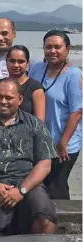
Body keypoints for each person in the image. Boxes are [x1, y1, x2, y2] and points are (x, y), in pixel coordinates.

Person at [0, 79, 57, 241]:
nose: (3, 101)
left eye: (9, 97)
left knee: (44, 217)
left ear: (20, 99)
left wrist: (21, 190)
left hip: (26, 182)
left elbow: (44, 163)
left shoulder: (35, 124)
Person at [29, 30, 82, 199]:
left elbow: (77, 112)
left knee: (56, 186)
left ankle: (63, 225)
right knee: (40, 184)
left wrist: (63, 142)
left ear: (67, 49)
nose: (52, 51)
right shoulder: (37, 68)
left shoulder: (73, 75)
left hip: (63, 143)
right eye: (48, 47)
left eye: (57, 47)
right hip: (40, 142)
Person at [5, 45, 45, 121]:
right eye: (12, 61)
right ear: (6, 61)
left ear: (27, 63)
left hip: (28, 131)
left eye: (21, 61)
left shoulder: (35, 88)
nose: (16, 65)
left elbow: (40, 122)